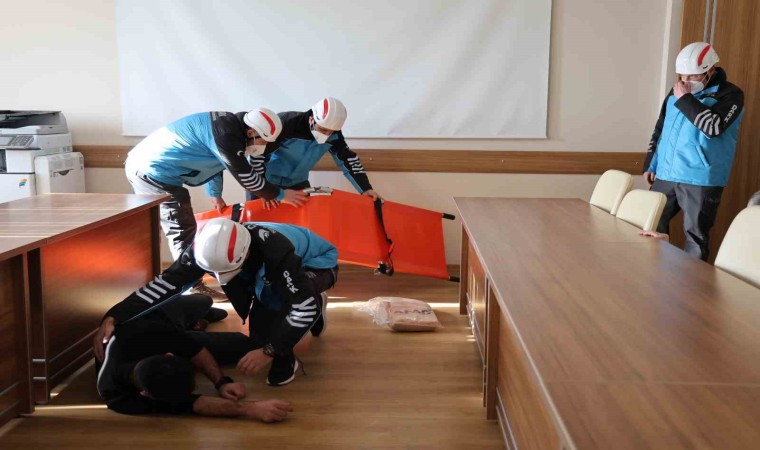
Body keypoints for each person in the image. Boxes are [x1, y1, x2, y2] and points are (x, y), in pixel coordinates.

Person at [94, 218, 338, 386]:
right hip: (267, 270)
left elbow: (302, 308)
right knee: (259, 332)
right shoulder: (204, 247)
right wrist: (116, 315)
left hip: (318, 264)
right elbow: (164, 285)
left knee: (278, 298)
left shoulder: (276, 250)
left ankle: (314, 300)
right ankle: (297, 304)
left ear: (246, 253)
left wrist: (270, 351)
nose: (219, 279)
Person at [125, 108, 308, 299]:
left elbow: (215, 161)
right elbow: (248, 180)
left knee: (160, 227)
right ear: (252, 132)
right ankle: (190, 286)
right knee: (181, 227)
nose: (265, 146)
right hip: (152, 171)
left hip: (146, 165)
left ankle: (154, 281)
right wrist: (281, 195)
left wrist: (215, 194)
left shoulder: (231, 128)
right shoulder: (227, 136)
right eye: (264, 141)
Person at [95, 293, 292, 421]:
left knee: (204, 301)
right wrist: (252, 410)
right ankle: (199, 325)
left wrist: (221, 382)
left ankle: (200, 318)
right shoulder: (118, 398)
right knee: (245, 345)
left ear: (168, 354)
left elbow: (195, 351)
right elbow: (195, 404)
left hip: (161, 315)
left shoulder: (144, 333)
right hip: (173, 336)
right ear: (146, 394)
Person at [642, 42, 744, 261]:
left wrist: (686, 99)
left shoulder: (730, 94)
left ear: (710, 71)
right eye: (682, 76)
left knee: (695, 237)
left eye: (693, 76)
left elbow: (713, 127)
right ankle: (654, 275)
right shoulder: (676, 91)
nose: (685, 81)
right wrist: (651, 162)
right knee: (649, 226)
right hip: (666, 173)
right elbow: (661, 128)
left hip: (701, 177)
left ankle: (692, 282)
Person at [244, 97, 381, 208]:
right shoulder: (286, 123)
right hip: (266, 180)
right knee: (258, 223)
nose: (327, 134)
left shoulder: (334, 135)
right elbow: (257, 156)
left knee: (300, 226)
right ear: (312, 119)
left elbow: (348, 160)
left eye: (331, 131)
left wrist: (365, 189)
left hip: (298, 183)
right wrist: (264, 190)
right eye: (323, 129)